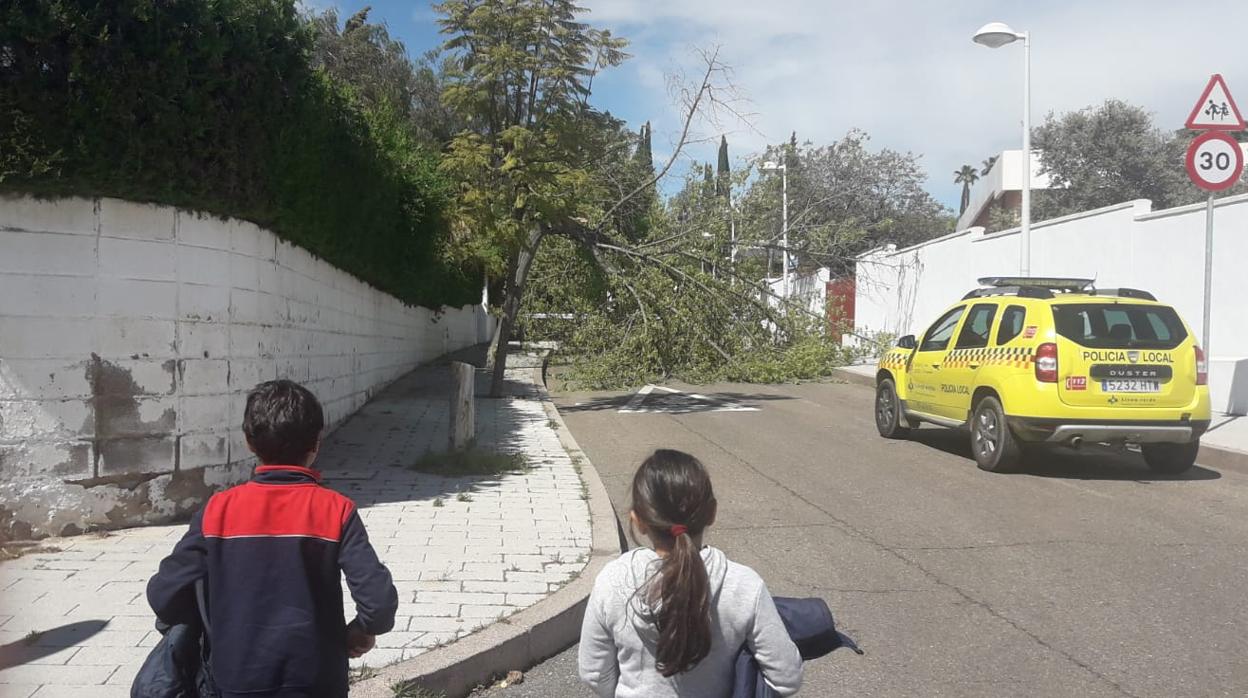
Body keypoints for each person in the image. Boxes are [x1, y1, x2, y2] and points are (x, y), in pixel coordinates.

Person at [146, 380, 399, 698]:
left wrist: (208, 625)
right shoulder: (337, 510)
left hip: (234, 677)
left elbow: (163, 593)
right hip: (318, 679)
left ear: (249, 443)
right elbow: (378, 602)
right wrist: (361, 631)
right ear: (316, 444)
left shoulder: (218, 510)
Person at [578, 449, 802, 697]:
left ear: (638, 521)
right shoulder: (744, 585)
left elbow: (595, 674)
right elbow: (787, 679)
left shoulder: (612, 581)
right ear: (712, 513)